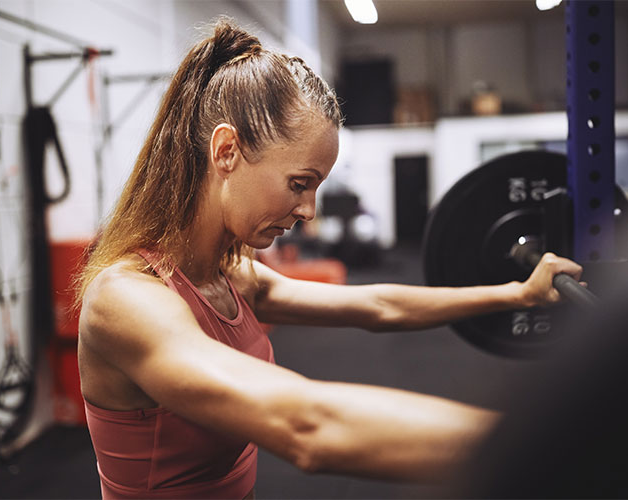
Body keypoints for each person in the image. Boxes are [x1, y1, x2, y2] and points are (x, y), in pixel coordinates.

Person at [76, 17, 583, 500]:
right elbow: (307, 426)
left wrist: (518, 293)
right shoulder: (125, 300)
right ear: (226, 150)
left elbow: (378, 306)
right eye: (299, 184)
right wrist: (561, 449)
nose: (308, 211)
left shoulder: (231, 276)